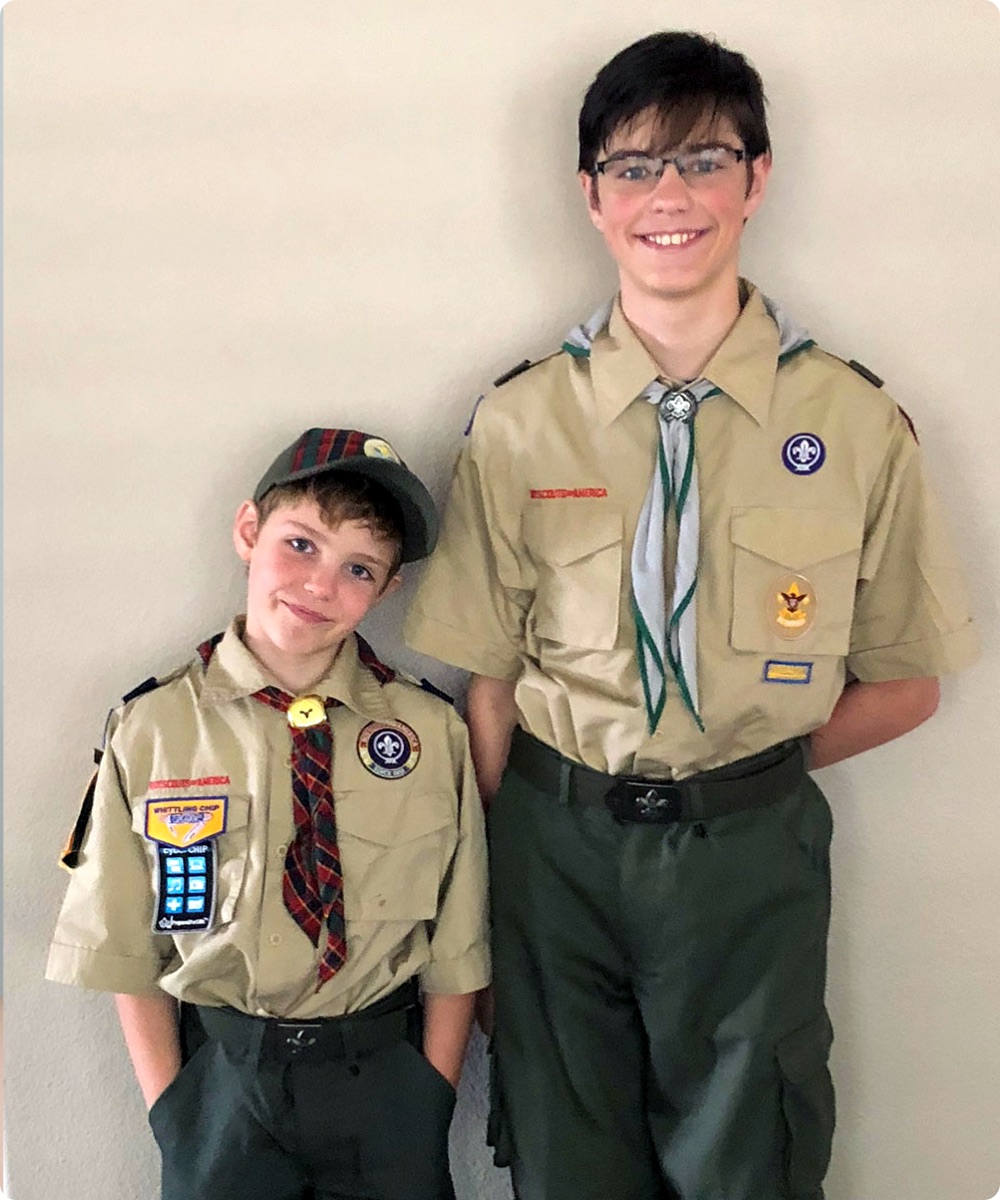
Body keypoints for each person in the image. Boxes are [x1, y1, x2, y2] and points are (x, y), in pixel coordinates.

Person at [403, 31, 979, 1200]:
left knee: (749, 1159)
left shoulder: (855, 422)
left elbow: (908, 680)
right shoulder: (520, 424)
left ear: (757, 179)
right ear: (590, 195)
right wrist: (493, 886)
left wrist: (735, 770)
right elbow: (490, 684)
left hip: (748, 852)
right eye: (633, 167)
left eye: (703, 160)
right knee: (568, 1158)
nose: (670, 196)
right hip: (553, 849)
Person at [47, 427, 490, 1200]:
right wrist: (175, 1110)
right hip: (223, 1082)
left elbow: (459, 938)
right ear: (249, 532)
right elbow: (122, 946)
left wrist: (431, 1094)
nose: (321, 584)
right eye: (301, 544)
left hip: (385, 1080)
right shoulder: (154, 729)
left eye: (359, 567)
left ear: (386, 590)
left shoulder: (428, 731)